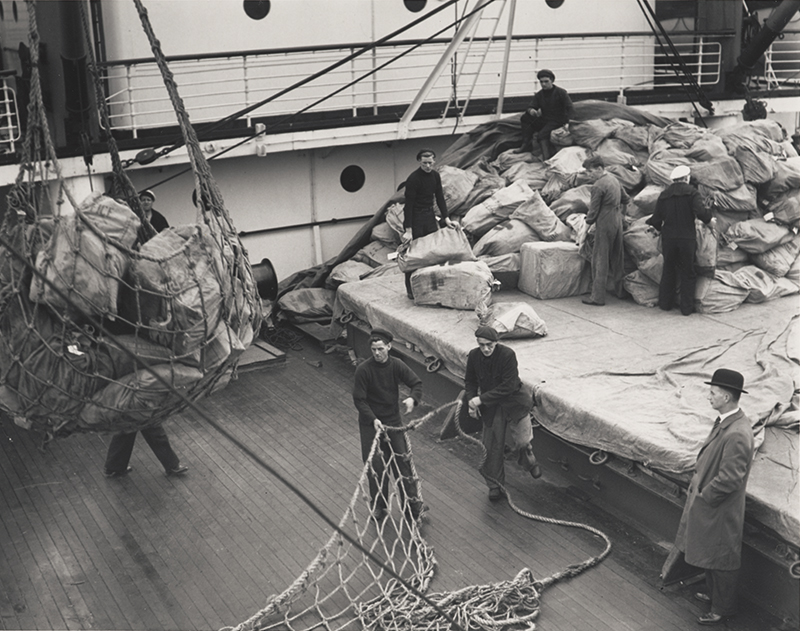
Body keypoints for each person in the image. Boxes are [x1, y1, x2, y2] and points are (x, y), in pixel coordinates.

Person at [673, 368, 755, 626]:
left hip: (719, 508)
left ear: (727, 397)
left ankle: (723, 608)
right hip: (712, 506)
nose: (708, 397)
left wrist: (705, 495)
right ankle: (714, 595)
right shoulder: (727, 422)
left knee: (722, 558)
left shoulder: (737, 433)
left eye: (713, 393)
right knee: (712, 553)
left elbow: (730, 479)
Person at [352, 328, 425, 522]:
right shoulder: (364, 370)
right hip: (371, 424)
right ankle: (380, 505)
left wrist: (412, 399)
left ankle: (413, 507)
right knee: (376, 467)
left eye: (380, 349)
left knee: (403, 464)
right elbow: (359, 400)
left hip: (392, 422)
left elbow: (416, 383)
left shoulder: (397, 366)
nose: (376, 353)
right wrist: (373, 419)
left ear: (389, 347)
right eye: (374, 349)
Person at [464, 326, 541, 502]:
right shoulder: (474, 356)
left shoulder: (507, 355)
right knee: (492, 447)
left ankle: (529, 462)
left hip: (514, 402)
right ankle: (494, 485)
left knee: (523, 441)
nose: (485, 349)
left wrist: (480, 399)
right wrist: (471, 401)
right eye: (481, 345)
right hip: (492, 407)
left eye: (489, 345)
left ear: (497, 342)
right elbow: (470, 381)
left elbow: (509, 386)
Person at [646, 165, 715, 316]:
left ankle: (665, 304)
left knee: (669, 269)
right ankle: (686, 308)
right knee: (687, 271)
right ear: (686, 178)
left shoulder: (664, 195)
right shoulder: (692, 193)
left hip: (668, 239)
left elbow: (656, 218)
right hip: (686, 238)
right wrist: (709, 217)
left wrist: (660, 228)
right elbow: (701, 212)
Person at [402, 149, 457, 299]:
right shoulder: (413, 179)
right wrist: (408, 230)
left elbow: (440, 197)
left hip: (430, 216)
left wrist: (446, 219)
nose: (428, 166)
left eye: (430, 162)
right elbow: (408, 205)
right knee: (415, 255)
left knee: (433, 252)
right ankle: (411, 290)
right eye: (425, 163)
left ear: (434, 161)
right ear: (419, 162)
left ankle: (429, 288)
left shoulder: (435, 176)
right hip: (415, 218)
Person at [582, 155, 629, 306]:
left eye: (590, 171)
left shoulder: (598, 186)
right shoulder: (614, 180)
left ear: (600, 169)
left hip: (605, 221)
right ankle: (620, 291)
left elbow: (593, 211)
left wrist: (586, 228)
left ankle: (597, 297)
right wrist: (622, 216)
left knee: (599, 259)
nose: (588, 175)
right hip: (617, 220)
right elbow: (626, 199)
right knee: (617, 257)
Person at [519, 69, 574, 160]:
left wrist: (569, 123)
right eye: (541, 82)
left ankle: (547, 159)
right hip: (545, 119)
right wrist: (533, 111)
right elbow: (531, 106)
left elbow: (570, 108)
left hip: (558, 120)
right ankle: (525, 145)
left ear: (552, 81)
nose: (543, 84)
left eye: (546, 81)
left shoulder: (561, 92)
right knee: (525, 118)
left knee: (541, 135)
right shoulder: (540, 95)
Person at [104, 424, 189, 477]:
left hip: (130, 401)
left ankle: (114, 466)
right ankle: (172, 465)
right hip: (139, 403)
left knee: (127, 428)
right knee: (153, 428)